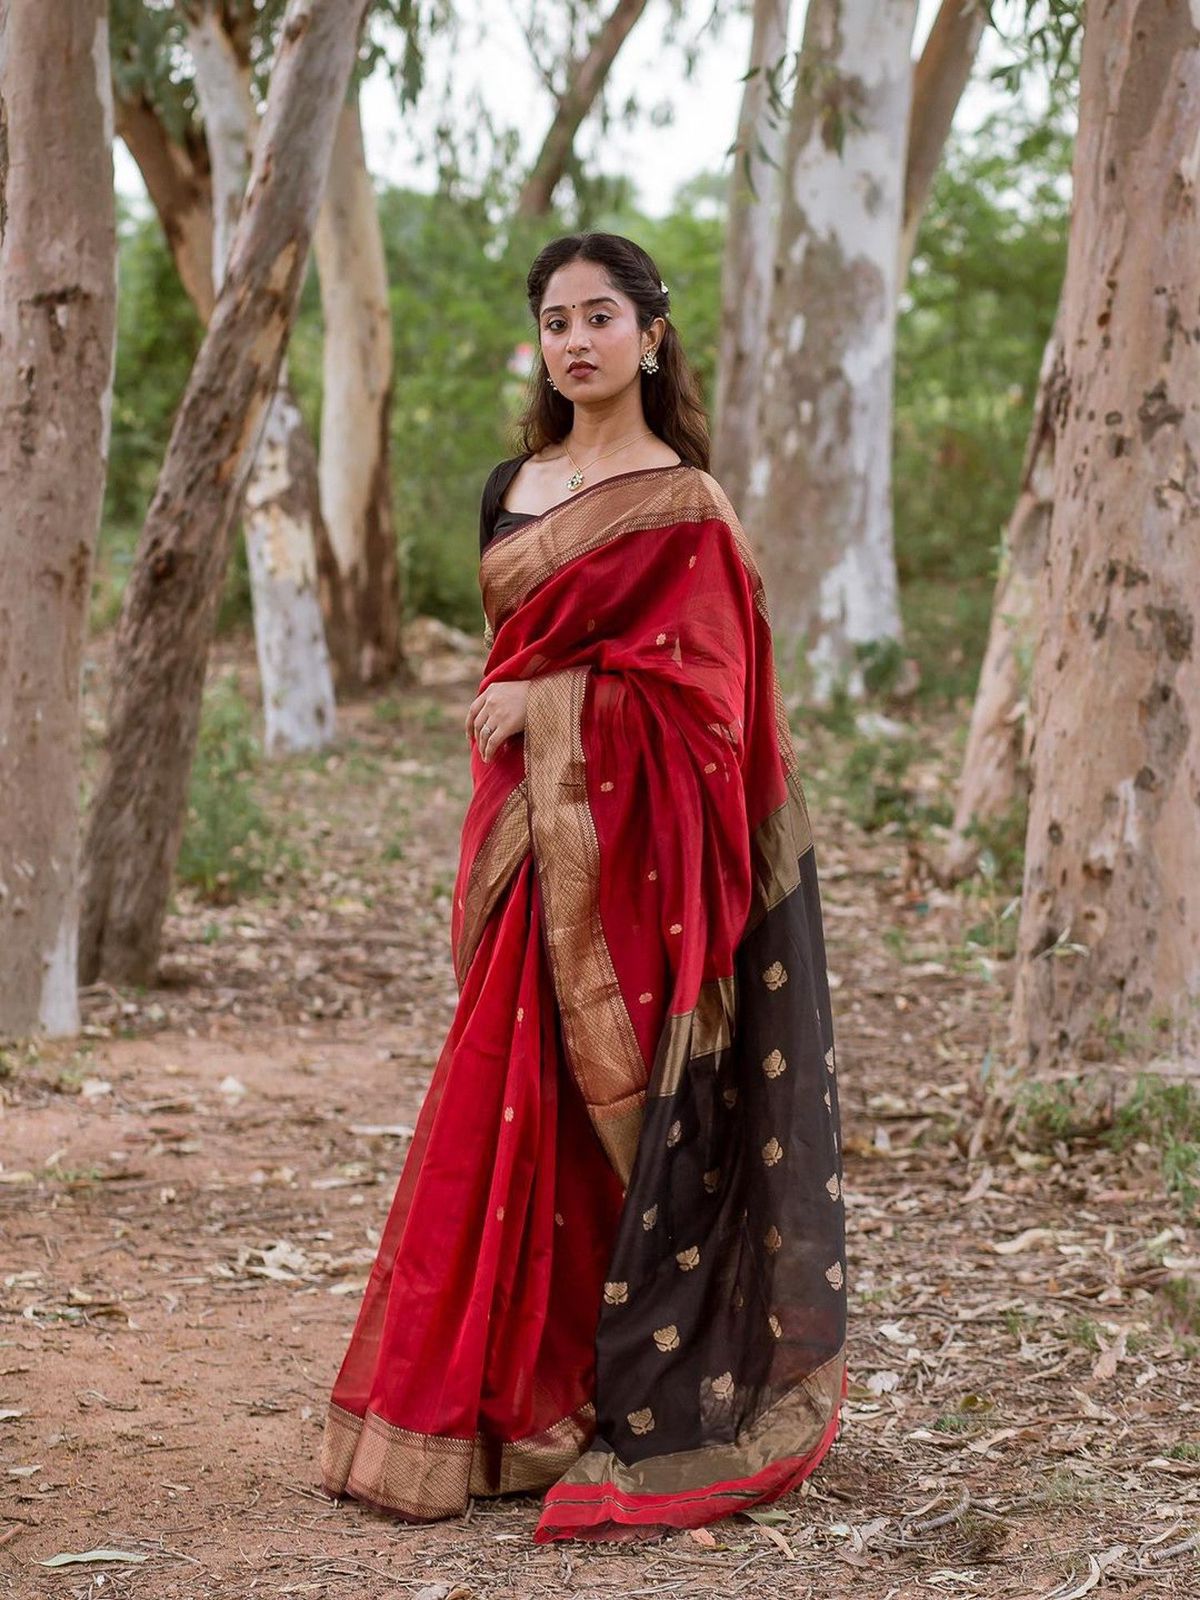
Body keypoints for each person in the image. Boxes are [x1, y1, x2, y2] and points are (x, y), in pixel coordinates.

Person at [319, 231, 848, 1541]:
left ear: (652, 337)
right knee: (503, 1113)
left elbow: (712, 713)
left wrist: (552, 705)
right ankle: (505, 1413)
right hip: (520, 842)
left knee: (592, 1121)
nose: (577, 340)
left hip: (629, 860)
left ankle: (598, 1396)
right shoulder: (515, 485)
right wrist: (526, 718)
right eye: (556, 319)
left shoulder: (689, 509)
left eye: (601, 315)